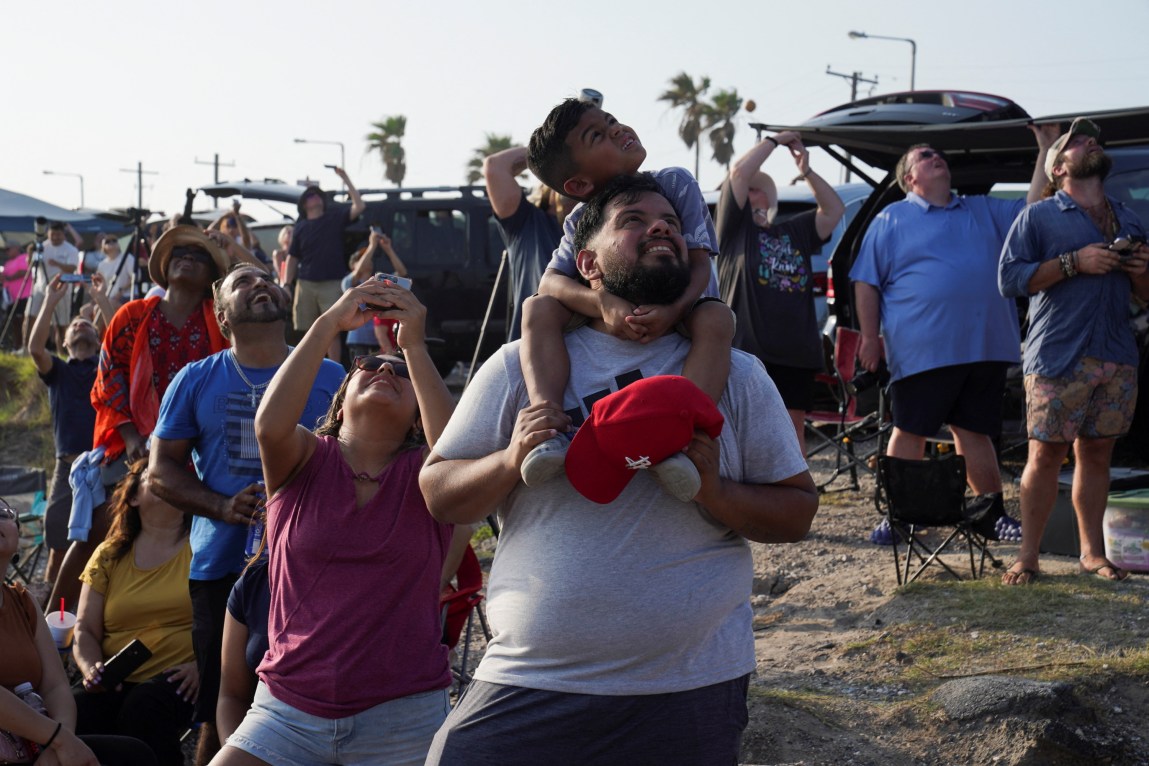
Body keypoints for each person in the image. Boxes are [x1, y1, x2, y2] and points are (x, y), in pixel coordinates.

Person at [420, 174, 818, 765]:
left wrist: (716, 491)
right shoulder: (518, 369)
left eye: (672, 223)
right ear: (588, 264)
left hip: (688, 691)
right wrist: (510, 460)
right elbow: (439, 494)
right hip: (528, 682)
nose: (661, 226)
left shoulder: (739, 374)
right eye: (632, 220)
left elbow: (797, 513)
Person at [209, 275, 458, 766]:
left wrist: (414, 347)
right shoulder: (303, 457)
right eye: (367, 363)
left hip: (403, 714)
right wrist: (328, 323)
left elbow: (460, 447)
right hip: (287, 706)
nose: (384, 370)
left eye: (400, 372)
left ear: (416, 417)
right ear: (340, 402)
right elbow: (269, 423)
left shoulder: (430, 473)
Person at [148, 264, 344, 765]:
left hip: (315, 569)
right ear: (222, 314)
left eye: (266, 278)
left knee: (317, 706)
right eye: (242, 282)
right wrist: (220, 505)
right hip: (222, 571)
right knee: (223, 711)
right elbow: (158, 473)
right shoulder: (195, 379)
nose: (261, 284)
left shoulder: (331, 377)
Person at [520, 99, 735, 501]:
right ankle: (548, 427)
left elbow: (700, 267)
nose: (618, 130)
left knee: (717, 319)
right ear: (579, 185)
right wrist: (602, 305)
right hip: (616, 312)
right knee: (536, 307)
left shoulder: (674, 182)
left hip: (684, 306)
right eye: (598, 134)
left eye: (612, 121)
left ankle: (681, 436)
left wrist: (672, 310)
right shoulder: (580, 221)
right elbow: (549, 283)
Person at [850, 126, 1057, 540]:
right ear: (910, 178)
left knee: (976, 433)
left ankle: (988, 516)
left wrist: (1045, 152)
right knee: (910, 430)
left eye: (937, 153)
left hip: (984, 346)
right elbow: (865, 282)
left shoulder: (982, 209)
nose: (936, 157)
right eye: (925, 156)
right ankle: (901, 518)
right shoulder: (891, 218)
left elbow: (1034, 208)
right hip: (922, 349)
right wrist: (870, 338)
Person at [48, 225, 231, 615]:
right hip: (132, 443)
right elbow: (109, 380)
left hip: (200, 451)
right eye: (179, 252)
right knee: (101, 531)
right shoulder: (132, 317)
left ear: (211, 277)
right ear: (164, 267)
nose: (186, 257)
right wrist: (132, 437)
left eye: (198, 256)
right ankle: (54, 627)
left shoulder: (222, 325)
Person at [999, 118, 1149, 585]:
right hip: (1058, 353)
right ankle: (1028, 555)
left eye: (1092, 139)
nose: (1090, 143)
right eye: (1077, 141)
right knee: (1045, 454)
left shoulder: (1129, 216)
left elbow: (1145, 295)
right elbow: (1008, 280)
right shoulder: (1038, 216)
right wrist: (1073, 262)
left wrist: (1142, 269)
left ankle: (1092, 554)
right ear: (1059, 167)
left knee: (1098, 453)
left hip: (1116, 352)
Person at [0, 497, 157, 766]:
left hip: (35, 745)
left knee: (133, 754)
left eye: (3, 513)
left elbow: (56, 685)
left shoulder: (23, 602)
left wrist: (57, 748)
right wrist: (59, 740)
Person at [717, 131, 846, 452]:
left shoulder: (794, 230)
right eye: (749, 186)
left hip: (795, 351)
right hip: (748, 348)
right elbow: (739, 172)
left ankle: (793, 497)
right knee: (743, 427)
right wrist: (775, 141)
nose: (751, 188)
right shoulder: (734, 230)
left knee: (791, 430)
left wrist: (806, 170)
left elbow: (833, 211)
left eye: (758, 186)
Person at [72, 459, 198, 766]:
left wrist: (204, 667)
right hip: (114, 675)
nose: (169, 481)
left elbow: (228, 618)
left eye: (176, 477)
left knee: (144, 707)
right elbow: (85, 629)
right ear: (133, 497)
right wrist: (92, 669)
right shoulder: (110, 554)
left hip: (182, 677)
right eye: (156, 477)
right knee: (74, 707)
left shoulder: (203, 547)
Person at [28, 275, 103, 589]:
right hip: (66, 465)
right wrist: (50, 300)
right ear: (65, 343)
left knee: (102, 542)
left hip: (103, 466)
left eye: (87, 323)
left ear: (100, 341)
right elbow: (34, 347)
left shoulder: (106, 366)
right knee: (58, 538)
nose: (80, 324)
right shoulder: (59, 371)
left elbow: (126, 337)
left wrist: (101, 299)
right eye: (74, 325)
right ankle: (50, 610)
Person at [483, 144, 571, 341]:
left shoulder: (598, 227)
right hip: (529, 349)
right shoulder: (525, 224)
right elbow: (495, 166)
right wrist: (556, 144)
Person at [284, 168, 365, 361]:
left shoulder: (335, 217)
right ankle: (307, 368)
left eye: (317, 195)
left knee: (332, 329)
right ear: (304, 204)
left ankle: (334, 370)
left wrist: (345, 178)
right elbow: (292, 257)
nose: (315, 197)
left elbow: (359, 206)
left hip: (332, 282)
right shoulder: (300, 227)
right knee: (306, 330)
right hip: (305, 284)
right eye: (310, 195)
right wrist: (286, 284)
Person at [348, 228, 410, 356]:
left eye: (368, 257)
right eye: (361, 258)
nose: (367, 259)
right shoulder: (348, 282)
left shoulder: (379, 281)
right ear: (352, 265)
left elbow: (402, 274)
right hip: (358, 341)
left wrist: (388, 249)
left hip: (377, 341)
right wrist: (372, 246)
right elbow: (358, 273)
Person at [26, 222, 82, 352]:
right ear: (48, 233)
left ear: (64, 234)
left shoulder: (71, 249)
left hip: (60, 290)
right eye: (53, 234)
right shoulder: (41, 247)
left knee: (61, 324)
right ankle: (25, 348)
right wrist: (30, 254)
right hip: (40, 287)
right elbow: (30, 267)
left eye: (58, 234)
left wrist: (57, 263)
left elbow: (72, 268)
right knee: (30, 317)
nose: (55, 237)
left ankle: (62, 352)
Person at [2, 243, 31, 350]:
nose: (7, 251)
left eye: (9, 249)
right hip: (11, 298)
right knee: (14, 321)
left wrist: (9, 277)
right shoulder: (7, 263)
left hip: (24, 295)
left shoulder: (23, 258)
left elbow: (24, 271)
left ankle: (25, 345)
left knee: (23, 321)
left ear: (17, 248)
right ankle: (17, 345)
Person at [95, 235, 136, 308]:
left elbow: (135, 277)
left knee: (106, 306)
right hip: (110, 297)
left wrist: (120, 292)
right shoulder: (102, 265)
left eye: (114, 240)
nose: (111, 242)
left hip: (127, 296)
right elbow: (100, 283)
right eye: (107, 241)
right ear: (103, 246)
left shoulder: (127, 258)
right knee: (86, 310)